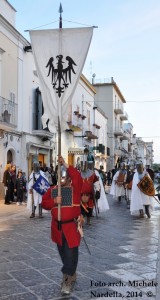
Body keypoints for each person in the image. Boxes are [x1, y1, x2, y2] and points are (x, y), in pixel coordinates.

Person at [41, 155, 83, 296]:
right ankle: (71, 272)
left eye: (65, 177)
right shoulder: (53, 190)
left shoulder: (75, 190)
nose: (62, 180)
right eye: (61, 177)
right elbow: (44, 203)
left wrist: (65, 163)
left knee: (71, 254)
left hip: (71, 228)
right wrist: (55, 200)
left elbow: (77, 176)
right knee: (64, 255)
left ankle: (66, 280)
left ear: (69, 179)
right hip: (57, 229)